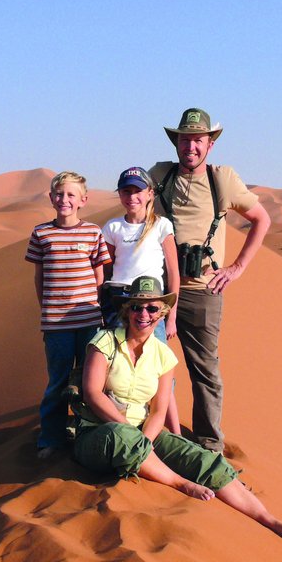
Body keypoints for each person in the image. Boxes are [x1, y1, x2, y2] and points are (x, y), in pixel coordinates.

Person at [73, 276, 282, 539]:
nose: (143, 314)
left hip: (144, 432)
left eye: (152, 308)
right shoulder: (105, 341)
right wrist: (134, 436)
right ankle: (181, 483)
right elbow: (92, 394)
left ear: (163, 313)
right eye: (136, 306)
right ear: (127, 310)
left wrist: (145, 439)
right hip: (98, 434)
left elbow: (159, 411)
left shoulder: (163, 356)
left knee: (203, 459)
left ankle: (270, 520)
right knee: (122, 437)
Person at [149, 108, 271, 453]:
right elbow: (130, 201)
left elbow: (261, 220)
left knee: (204, 371)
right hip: (157, 291)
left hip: (203, 290)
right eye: (185, 139)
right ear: (177, 143)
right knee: (150, 364)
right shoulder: (159, 175)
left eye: (198, 140)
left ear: (209, 144)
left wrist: (237, 268)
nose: (191, 146)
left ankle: (207, 445)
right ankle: (156, 434)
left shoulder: (223, 180)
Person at [26, 171, 112, 459]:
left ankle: (87, 432)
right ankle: (51, 438)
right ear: (51, 198)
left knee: (90, 382)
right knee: (58, 382)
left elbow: (100, 277)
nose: (65, 199)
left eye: (71, 195)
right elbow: (39, 278)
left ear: (83, 201)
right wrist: (48, 310)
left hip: (89, 322)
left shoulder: (93, 232)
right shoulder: (41, 233)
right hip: (55, 324)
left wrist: (97, 310)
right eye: (59, 194)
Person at [101, 166, 182, 434]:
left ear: (150, 193)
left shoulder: (161, 225)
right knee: (115, 366)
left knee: (160, 371)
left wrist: (171, 316)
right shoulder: (112, 227)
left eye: (138, 190)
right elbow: (106, 269)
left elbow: (173, 272)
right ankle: (116, 425)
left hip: (152, 304)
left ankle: (173, 434)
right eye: (126, 190)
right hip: (120, 301)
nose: (132, 196)